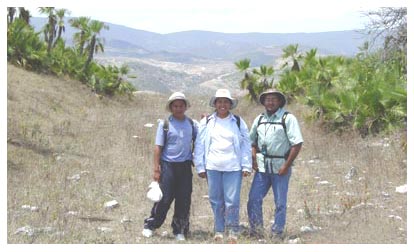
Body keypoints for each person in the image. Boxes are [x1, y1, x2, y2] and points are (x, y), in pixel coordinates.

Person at [193, 89, 252, 243]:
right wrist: (200, 166)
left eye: (226, 101)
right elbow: (199, 144)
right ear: (215, 104)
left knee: (232, 200)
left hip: (233, 166)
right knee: (215, 199)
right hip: (212, 166)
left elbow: (246, 143)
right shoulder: (206, 121)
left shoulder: (238, 121)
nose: (222, 104)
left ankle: (232, 230)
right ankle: (219, 229)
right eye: (219, 101)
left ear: (230, 104)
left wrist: (246, 165)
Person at [247, 89, 303, 241]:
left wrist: (286, 165)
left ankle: (277, 232)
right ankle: (256, 230)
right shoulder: (259, 119)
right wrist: (253, 157)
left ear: (279, 102)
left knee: (280, 202)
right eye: (267, 99)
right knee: (253, 199)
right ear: (263, 102)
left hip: (280, 167)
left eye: (273, 99)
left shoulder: (287, 118)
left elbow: (297, 143)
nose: (270, 102)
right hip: (262, 167)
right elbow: (251, 140)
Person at [142, 92, 198, 242]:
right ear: (171, 107)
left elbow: (200, 141)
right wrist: (156, 169)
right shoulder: (165, 124)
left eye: (181, 105)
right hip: (168, 166)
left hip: (185, 167)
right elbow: (158, 148)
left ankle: (179, 230)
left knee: (184, 199)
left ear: (185, 107)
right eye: (175, 106)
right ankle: (151, 225)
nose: (178, 108)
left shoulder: (192, 124)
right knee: (164, 198)